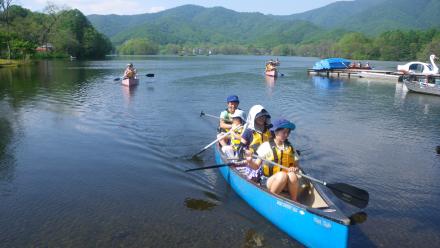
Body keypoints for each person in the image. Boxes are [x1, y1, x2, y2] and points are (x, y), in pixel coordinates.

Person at [246, 119, 300, 201]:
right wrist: (250, 161)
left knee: (292, 175)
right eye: (284, 132)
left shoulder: (290, 147)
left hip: (285, 182)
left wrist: (295, 168)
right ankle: (270, 199)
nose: (286, 135)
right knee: (282, 175)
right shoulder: (266, 146)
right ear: (275, 132)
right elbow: (256, 166)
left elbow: (296, 165)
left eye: (288, 132)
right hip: (269, 180)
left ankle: (294, 201)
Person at [239, 105, 273, 181]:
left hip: (267, 158)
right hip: (253, 159)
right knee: (257, 174)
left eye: (263, 117)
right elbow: (240, 148)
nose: (262, 119)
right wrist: (245, 155)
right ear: (253, 117)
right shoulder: (248, 132)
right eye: (260, 117)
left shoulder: (270, 131)